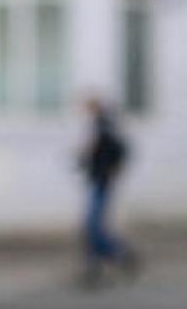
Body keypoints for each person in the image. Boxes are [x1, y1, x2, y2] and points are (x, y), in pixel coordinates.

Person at [77, 97, 139, 287]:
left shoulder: (102, 126)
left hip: (101, 181)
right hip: (100, 180)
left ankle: (117, 255)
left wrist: (108, 167)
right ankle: (105, 260)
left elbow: (117, 150)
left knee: (92, 225)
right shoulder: (104, 125)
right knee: (92, 226)